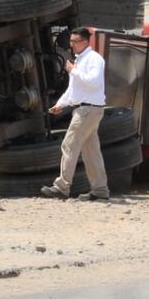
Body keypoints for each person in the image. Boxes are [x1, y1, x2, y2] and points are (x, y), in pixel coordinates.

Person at [41, 27, 110, 201]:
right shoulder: (81, 60)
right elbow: (74, 90)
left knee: (69, 145)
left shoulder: (94, 59)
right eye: (71, 41)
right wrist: (60, 105)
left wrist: (73, 71)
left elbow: (93, 82)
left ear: (85, 42)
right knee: (91, 151)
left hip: (88, 109)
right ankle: (100, 190)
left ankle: (62, 187)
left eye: (74, 41)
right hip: (87, 109)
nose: (71, 45)